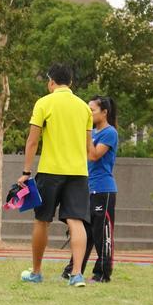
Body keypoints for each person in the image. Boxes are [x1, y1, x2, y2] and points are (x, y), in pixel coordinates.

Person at [18, 64, 93, 287]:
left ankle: (36, 272)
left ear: (51, 82)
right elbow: (88, 147)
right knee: (76, 221)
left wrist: (26, 172)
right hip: (78, 173)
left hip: (50, 171)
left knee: (42, 220)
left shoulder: (44, 103)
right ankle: (77, 274)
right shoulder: (84, 108)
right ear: (70, 83)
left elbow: (33, 141)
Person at [62, 96, 118, 282]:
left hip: (104, 190)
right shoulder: (91, 132)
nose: (88, 114)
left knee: (102, 234)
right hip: (87, 188)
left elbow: (94, 155)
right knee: (83, 232)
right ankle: (73, 270)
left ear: (104, 112)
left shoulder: (109, 133)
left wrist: (86, 134)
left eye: (92, 110)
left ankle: (102, 273)